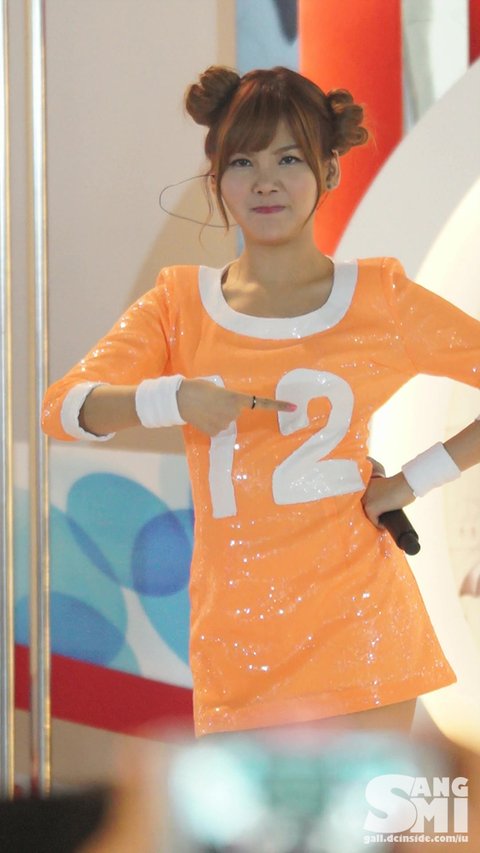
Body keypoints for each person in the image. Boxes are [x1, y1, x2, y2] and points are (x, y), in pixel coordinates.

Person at [42, 65, 480, 739]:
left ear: (329, 170)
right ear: (217, 178)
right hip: (237, 649)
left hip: (365, 638)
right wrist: (173, 398)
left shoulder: (380, 298)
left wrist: (412, 481)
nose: (265, 181)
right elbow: (65, 409)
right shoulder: (179, 304)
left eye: (289, 159)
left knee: (362, 812)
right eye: (243, 161)